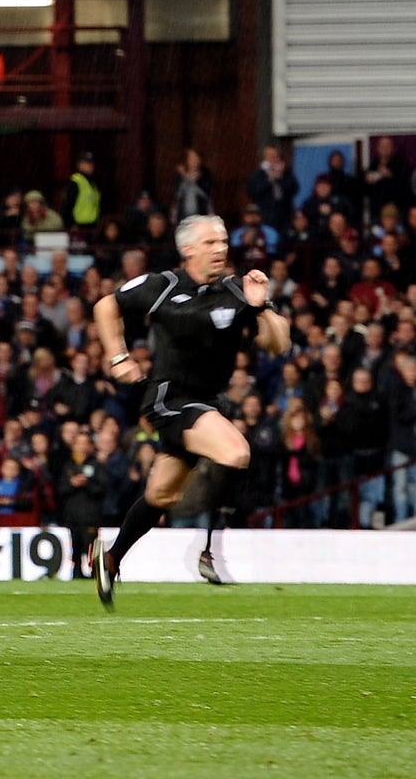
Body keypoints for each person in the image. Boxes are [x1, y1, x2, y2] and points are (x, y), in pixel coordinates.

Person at [89, 215, 291, 606]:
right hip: (170, 399)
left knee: (160, 496)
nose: (221, 248)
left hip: (208, 403)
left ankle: (110, 558)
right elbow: (105, 306)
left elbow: (279, 345)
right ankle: (208, 550)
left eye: (223, 241)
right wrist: (118, 357)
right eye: (211, 242)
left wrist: (262, 305)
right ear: (188, 249)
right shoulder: (162, 286)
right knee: (236, 453)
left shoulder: (236, 289)